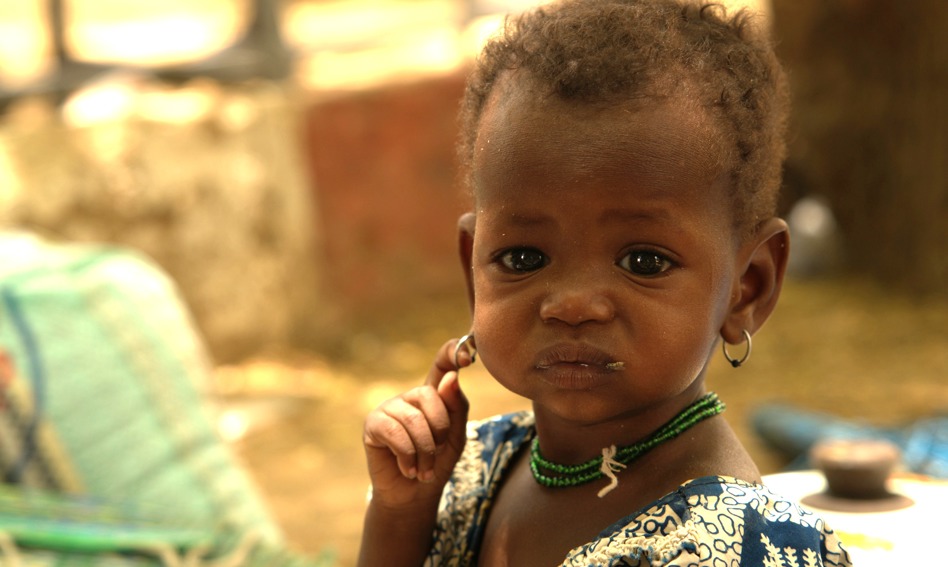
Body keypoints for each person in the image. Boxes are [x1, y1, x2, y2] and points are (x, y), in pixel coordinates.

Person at [359, 0, 852, 565]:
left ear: (749, 287)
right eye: (522, 257)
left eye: (643, 262)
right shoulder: (474, 471)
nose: (573, 305)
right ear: (475, 270)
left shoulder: (732, 545)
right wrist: (404, 512)